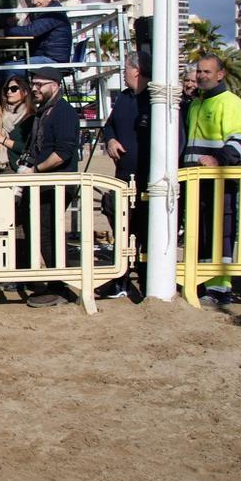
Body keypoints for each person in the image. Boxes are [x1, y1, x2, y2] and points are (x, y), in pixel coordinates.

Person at [181, 54, 241, 306]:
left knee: (221, 232)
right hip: (195, 181)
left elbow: (240, 141)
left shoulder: (230, 102)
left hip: (219, 181)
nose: (200, 76)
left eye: (206, 72)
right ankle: (202, 281)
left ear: (220, 75)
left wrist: (218, 159)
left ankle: (220, 289)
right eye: (198, 71)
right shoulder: (196, 103)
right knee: (199, 232)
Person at [19, 66, 80, 308]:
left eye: (39, 85)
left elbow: (63, 152)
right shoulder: (44, 112)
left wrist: (36, 170)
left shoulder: (63, 112)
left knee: (48, 233)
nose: (34, 89)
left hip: (56, 183)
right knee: (40, 230)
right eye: (33, 85)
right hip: (45, 183)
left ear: (54, 85)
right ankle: (54, 282)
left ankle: (59, 287)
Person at [97, 54, 152, 300]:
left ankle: (147, 280)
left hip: (146, 179)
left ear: (137, 71)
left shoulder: (153, 99)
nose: (123, 73)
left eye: (126, 69)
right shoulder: (123, 97)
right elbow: (108, 125)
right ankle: (120, 279)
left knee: (144, 232)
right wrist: (110, 140)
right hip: (121, 177)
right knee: (121, 229)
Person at [4, 0, 72, 64]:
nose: (34, 2)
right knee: (10, 65)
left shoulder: (53, 13)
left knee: (6, 68)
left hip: (53, 60)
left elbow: (32, 31)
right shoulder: (49, 12)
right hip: (51, 57)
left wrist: (7, 31)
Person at [0, 74, 35, 173]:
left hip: (18, 168)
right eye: (6, 89)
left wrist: (2, 139)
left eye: (14, 89)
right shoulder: (0, 114)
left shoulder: (31, 118)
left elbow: (29, 148)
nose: (9, 92)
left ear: (25, 92)